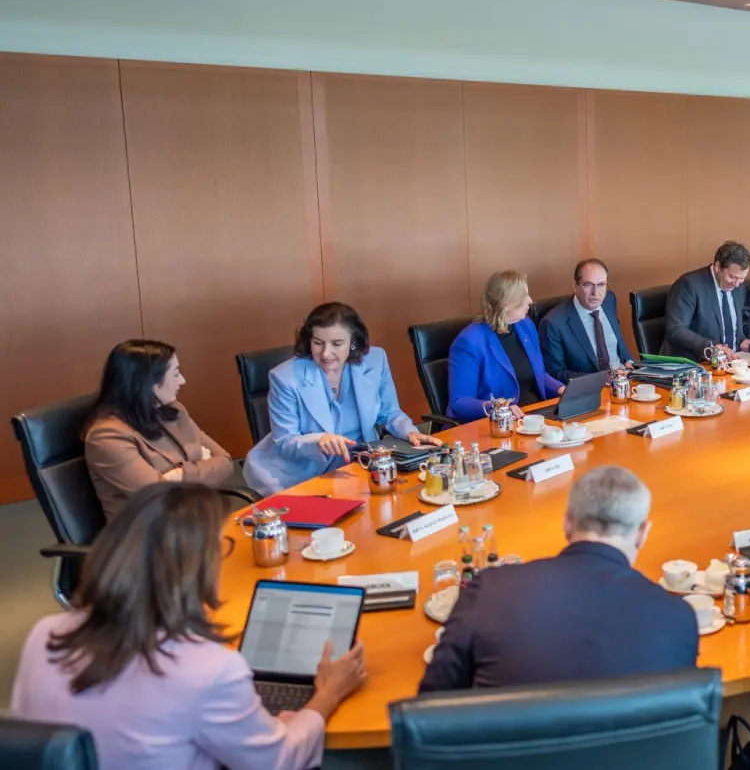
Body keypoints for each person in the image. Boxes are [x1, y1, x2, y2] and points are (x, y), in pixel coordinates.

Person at [11, 483, 366, 769]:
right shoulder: (209, 669)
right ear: (195, 570)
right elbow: (278, 760)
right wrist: (326, 696)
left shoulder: (46, 634)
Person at [420, 466, 697, 692]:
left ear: (567, 522)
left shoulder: (490, 591)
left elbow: (431, 707)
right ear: (643, 533)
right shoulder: (678, 618)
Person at [243, 303, 438, 494]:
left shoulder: (375, 360)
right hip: (296, 473)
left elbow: (389, 413)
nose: (326, 353)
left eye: (337, 344)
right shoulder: (285, 377)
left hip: (356, 465)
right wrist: (320, 440)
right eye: (318, 343)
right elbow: (284, 442)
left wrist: (410, 432)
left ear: (353, 343)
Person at [82, 340, 233, 522]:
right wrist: (199, 463)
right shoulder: (106, 436)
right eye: (176, 373)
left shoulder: (174, 411)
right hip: (148, 538)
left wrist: (177, 475)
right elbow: (157, 497)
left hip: (194, 523)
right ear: (149, 381)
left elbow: (225, 462)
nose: (183, 381)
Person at [448, 271, 564, 421]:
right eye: (524, 296)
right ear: (506, 303)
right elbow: (459, 403)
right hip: (498, 425)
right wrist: (498, 408)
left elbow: (538, 374)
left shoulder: (526, 326)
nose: (530, 301)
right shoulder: (470, 341)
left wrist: (561, 389)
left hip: (534, 416)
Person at [539, 259, 636, 383]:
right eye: (588, 285)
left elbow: (616, 343)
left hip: (623, 382)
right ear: (575, 286)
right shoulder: (553, 323)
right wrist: (602, 379)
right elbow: (555, 374)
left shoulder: (609, 300)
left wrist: (628, 361)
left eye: (601, 285)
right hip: (590, 390)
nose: (596, 293)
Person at [664, 240, 750, 359]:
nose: (736, 284)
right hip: (699, 364)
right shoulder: (689, 285)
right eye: (732, 277)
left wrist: (742, 341)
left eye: (742, 278)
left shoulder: (739, 287)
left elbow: (735, 325)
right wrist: (712, 348)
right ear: (717, 267)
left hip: (734, 362)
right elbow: (675, 330)